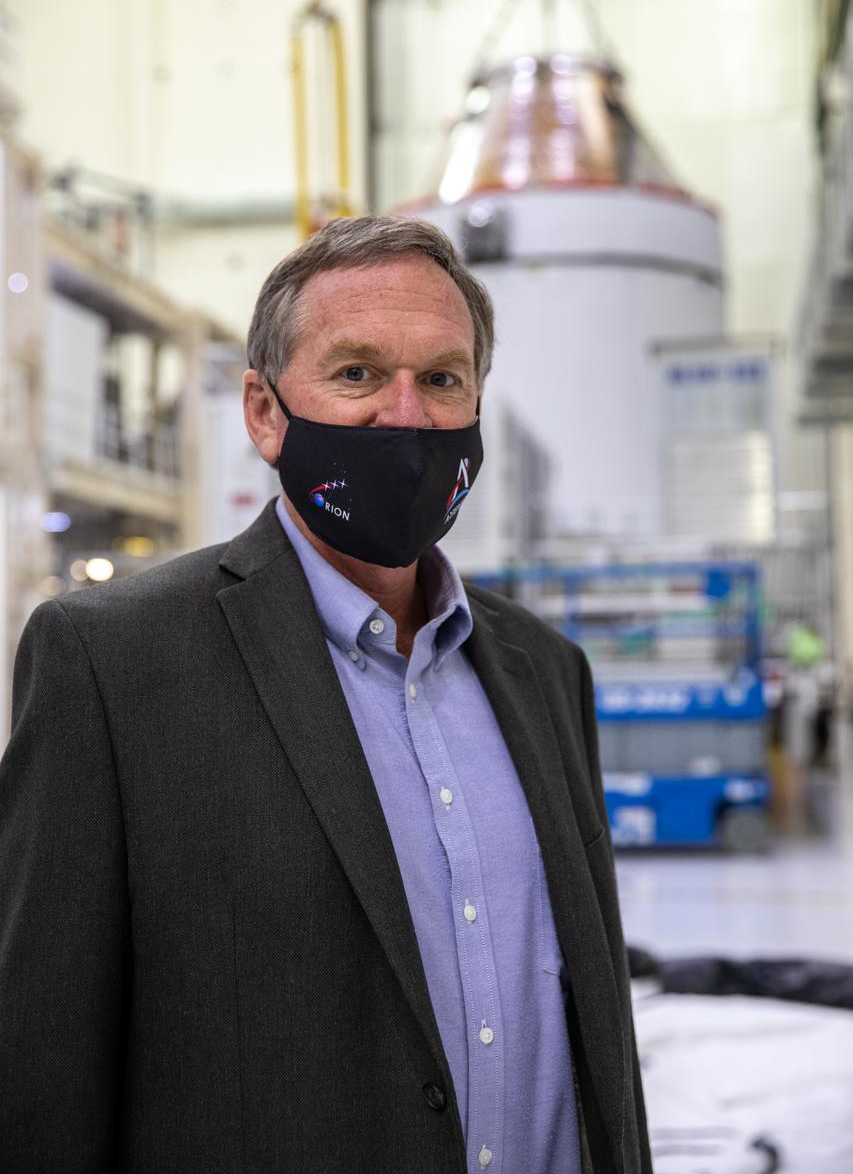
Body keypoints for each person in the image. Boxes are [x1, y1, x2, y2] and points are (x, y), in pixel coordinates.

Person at [0, 215, 651, 1174]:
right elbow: (41, 1067)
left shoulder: (545, 670)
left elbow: (594, 1028)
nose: (405, 416)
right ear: (264, 413)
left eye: (442, 379)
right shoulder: (112, 664)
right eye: (356, 373)